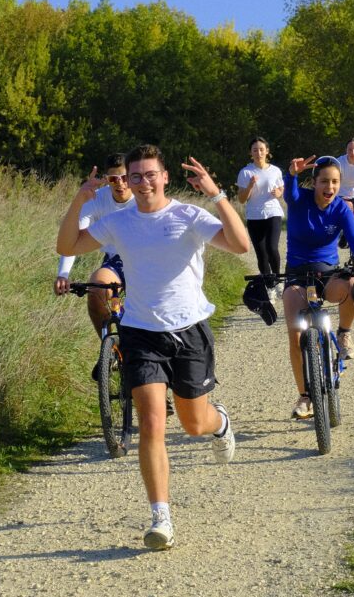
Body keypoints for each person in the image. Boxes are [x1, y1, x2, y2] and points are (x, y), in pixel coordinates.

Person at [57, 143, 249, 551]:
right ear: (125, 180)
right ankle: (161, 515)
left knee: (195, 423)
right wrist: (80, 198)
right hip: (141, 332)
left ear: (164, 177)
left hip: (190, 330)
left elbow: (239, 245)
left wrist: (216, 195)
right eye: (135, 176)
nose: (143, 183)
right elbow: (68, 246)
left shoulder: (189, 216)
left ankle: (221, 423)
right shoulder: (120, 222)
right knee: (151, 423)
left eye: (150, 175)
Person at [282, 155, 354, 420]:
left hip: (328, 274)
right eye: (324, 181)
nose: (329, 187)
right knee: (296, 336)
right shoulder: (299, 200)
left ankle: (344, 334)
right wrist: (291, 174)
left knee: (352, 285)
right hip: (298, 277)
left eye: (334, 182)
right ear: (315, 182)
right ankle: (305, 397)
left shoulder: (341, 208)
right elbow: (290, 190)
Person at [54, 153, 135, 338]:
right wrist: (63, 274)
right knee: (96, 291)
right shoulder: (96, 199)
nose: (120, 184)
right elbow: (73, 240)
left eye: (125, 178)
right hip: (116, 260)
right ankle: (110, 349)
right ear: (107, 180)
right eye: (114, 179)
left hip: (146, 258)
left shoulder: (143, 196)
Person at [236, 137, 284, 292]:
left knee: (272, 248)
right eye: (255, 150)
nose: (259, 153)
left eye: (262, 149)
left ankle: (277, 280)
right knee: (261, 254)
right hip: (254, 216)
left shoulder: (275, 170)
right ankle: (269, 287)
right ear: (250, 153)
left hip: (273, 212)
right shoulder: (245, 172)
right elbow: (242, 199)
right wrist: (250, 185)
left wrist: (278, 192)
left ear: (267, 151)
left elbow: (281, 189)